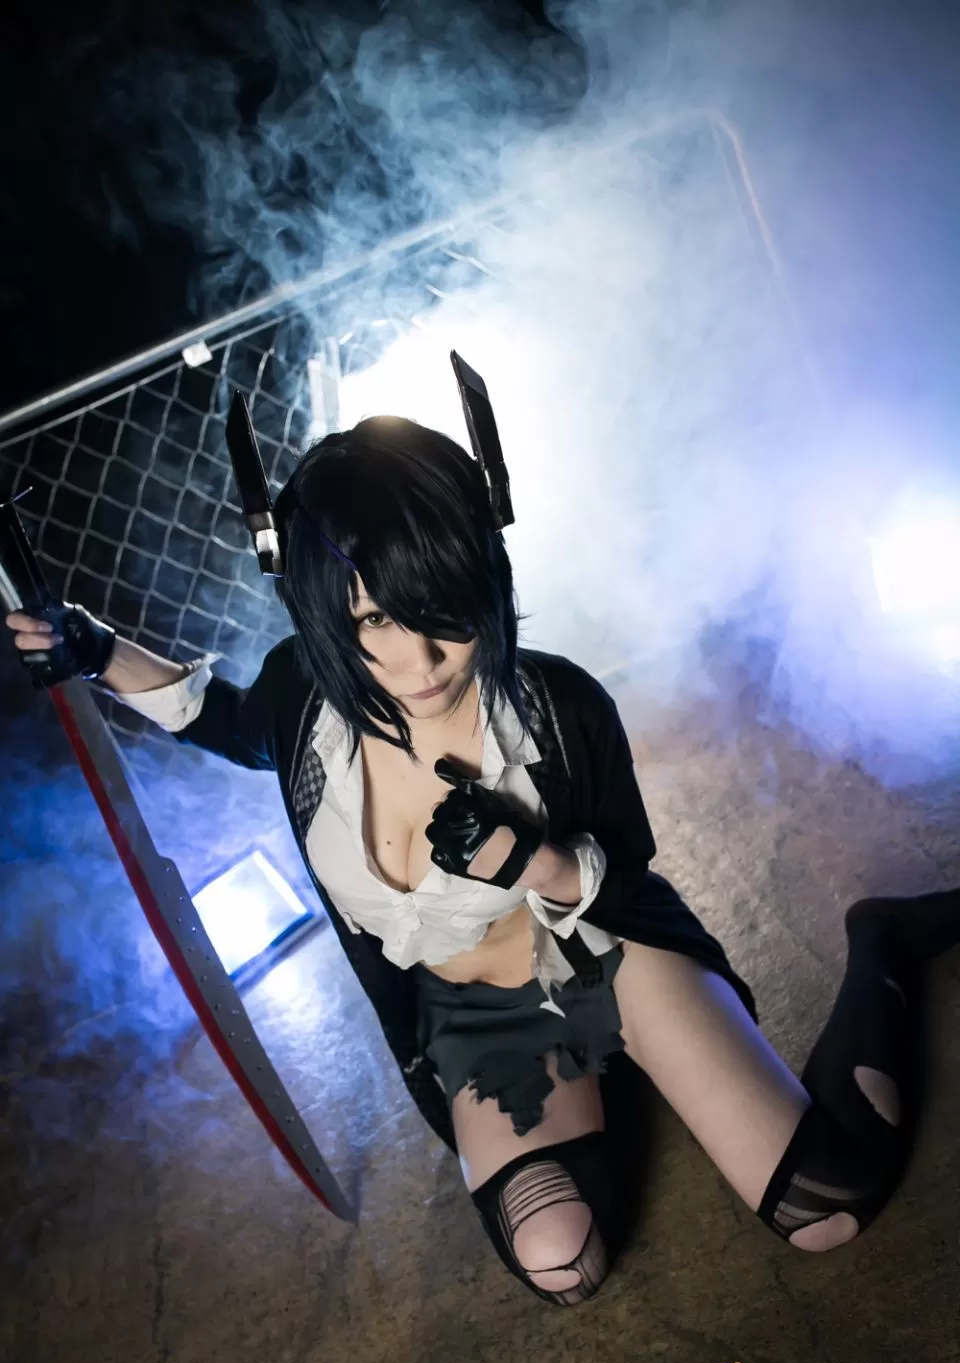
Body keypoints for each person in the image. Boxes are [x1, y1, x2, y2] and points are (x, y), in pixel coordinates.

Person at [6, 413, 958, 1307]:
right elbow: (226, 722)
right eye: (374, 623)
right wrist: (95, 648)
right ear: (326, 617)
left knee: (826, 1207)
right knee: (561, 1265)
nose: (421, 662)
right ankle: (609, 1093)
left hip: (604, 957)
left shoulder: (559, 708)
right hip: (476, 1016)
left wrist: (533, 860)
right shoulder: (305, 698)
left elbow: (624, 872)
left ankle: (882, 941)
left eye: (441, 613)